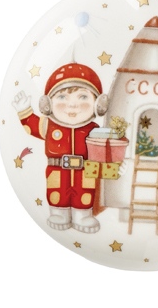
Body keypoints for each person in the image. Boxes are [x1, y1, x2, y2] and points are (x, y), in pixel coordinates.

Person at [13, 62, 108, 233]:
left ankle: (83, 216)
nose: (72, 105)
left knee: (84, 193)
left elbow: (104, 149)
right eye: (62, 97)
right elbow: (32, 126)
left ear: (98, 104)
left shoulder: (94, 130)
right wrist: (24, 111)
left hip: (84, 172)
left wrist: (114, 161)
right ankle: (59, 213)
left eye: (83, 97)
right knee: (58, 193)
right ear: (47, 104)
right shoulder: (48, 126)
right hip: (57, 170)